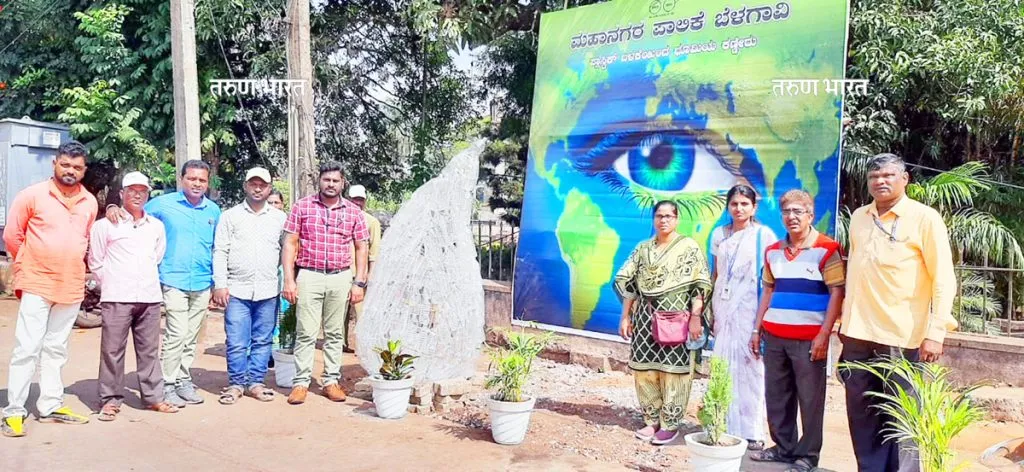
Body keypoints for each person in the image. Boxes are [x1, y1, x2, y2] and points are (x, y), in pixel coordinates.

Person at [839, 153, 957, 472]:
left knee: (903, 417)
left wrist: (936, 331)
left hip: (902, 338)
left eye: (889, 175)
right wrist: (844, 323)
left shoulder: (924, 218)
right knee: (863, 416)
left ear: (905, 179)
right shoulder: (860, 217)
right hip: (857, 336)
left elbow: (943, 277)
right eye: (874, 176)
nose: (881, 181)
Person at [105, 160, 222, 408]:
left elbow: (215, 247)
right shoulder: (163, 204)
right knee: (176, 334)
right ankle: (166, 384)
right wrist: (112, 206)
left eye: (202, 180)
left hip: (201, 280)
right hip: (173, 279)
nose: (197, 183)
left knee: (190, 337)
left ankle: (182, 379)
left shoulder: (213, 211)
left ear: (207, 182)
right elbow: (134, 210)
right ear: (182, 180)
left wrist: (215, 281)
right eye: (192, 178)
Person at [2, 141, 98, 437]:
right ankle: (14, 410)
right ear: (54, 163)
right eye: (65, 165)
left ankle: (50, 405)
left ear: (84, 170)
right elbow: (12, 236)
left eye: (77, 167)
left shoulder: (89, 202)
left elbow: (85, 240)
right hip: (37, 282)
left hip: (70, 285)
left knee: (56, 348)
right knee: (27, 348)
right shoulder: (32, 195)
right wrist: (28, 266)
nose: (70, 171)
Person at [748, 190, 845, 471]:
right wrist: (756, 330)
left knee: (810, 399)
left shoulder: (827, 249)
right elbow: (768, 290)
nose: (792, 217)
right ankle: (783, 447)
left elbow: (836, 293)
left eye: (798, 212)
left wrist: (824, 335)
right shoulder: (773, 251)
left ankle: (808, 455)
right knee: (777, 396)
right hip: (774, 337)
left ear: (810, 215)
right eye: (787, 212)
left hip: (809, 339)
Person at [614, 200, 712, 446]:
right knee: (644, 371)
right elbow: (627, 281)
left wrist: (696, 318)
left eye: (669, 216)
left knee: (674, 372)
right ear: (654, 219)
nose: (663, 220)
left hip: (677, 319)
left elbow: (699, 286)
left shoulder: (689, 247)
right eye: (659, 216)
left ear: (677, 219)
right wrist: (626, 315)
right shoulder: (643, 248)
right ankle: (651, 420)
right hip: (645, 319)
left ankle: (670, 424)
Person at [89, 172, 179, 421]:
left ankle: (153, 398)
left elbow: (157, 256)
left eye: (142, 190)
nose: (137, 194)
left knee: (149, 350)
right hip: (117, 297)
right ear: (122, 194)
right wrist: (114, 283)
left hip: (149, 297)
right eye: (132, 190)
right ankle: (109, 400)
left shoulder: (156, 227)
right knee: (112, 350)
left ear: (148, 194)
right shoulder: (105, 225)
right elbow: (95, 262)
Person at [281, 161, 370, 405]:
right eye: (326, 180)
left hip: (341, 276)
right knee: (306, 332)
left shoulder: (353, 212)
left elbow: (362, 247)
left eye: (335, 181)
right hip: (309, 274)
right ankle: (300, 383)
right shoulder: (302, 207)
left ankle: (330, 381)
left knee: (334, 334)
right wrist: (289, 279)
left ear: (343, 183)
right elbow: (290, 243)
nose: (330, 185)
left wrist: (359, 282)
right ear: (319, 181)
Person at [709, 184, 777, 449]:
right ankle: (720, 424)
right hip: (723, 308)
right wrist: (710, 313)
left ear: (754, 207)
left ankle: (752, 431)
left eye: (744, 204)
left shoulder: (764, 235)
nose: (739, 209)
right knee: (723, 364)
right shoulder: (719, 235)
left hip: (750, 309)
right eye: (734, 204)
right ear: (728, 206)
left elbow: (770, 280)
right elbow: (716, 274)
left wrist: (759, 324)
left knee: (750, 368)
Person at [213, 168, 286, 405]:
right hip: (236, 289)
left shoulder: (279, 218)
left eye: (262, 185)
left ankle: (255, 382)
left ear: (269, 188)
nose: (257, 188)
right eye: (253, 184)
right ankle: (235, 383)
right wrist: (220, 284)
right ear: (245, 186)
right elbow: (220, 250)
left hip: (268, 289)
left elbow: (288, 250)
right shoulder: (230, 216)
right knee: (236, 340)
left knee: (263, 339)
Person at [344, 184, 382, 351]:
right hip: (342, 271)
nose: (357, 203)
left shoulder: (371, 222)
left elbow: (374, 251)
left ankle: (364, 347)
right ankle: (340, 344)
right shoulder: (341, 217)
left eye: (360, 199)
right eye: (354, 199)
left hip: (361, 274)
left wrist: (371, 274)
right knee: (340, 312)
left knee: (362, 312)